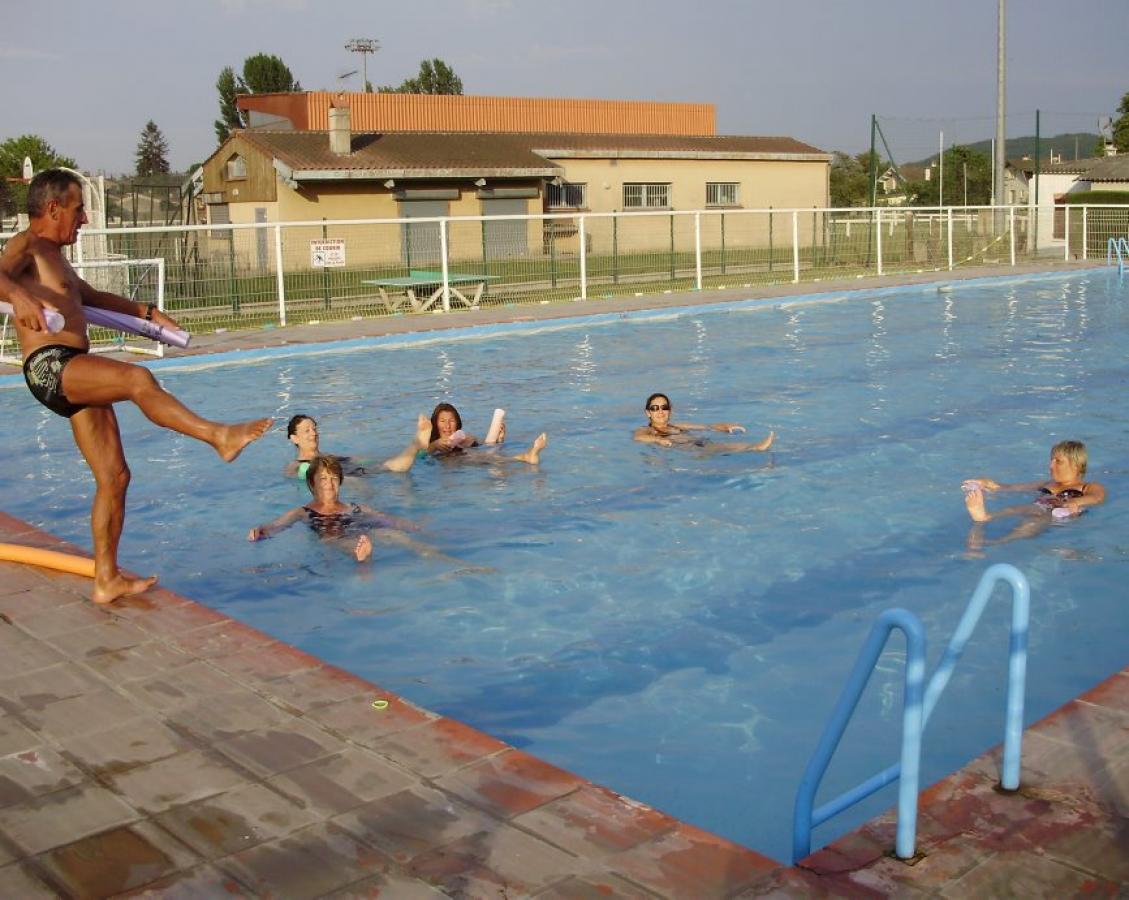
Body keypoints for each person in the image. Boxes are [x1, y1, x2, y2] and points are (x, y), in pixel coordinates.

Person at [0, 169, 271, 604]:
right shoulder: (27, 245)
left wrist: (148, 312)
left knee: (115, 477)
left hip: (74, 370)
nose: (84, 218)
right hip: (51, 365)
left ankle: (106, 579)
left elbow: (88, 297)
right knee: (136, 378)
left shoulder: (55, 255)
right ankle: (218, 436)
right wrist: (18, 297)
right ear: (52, 208)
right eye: (77, 208)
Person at [249, 455, 463, 565]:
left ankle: (442, 559)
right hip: (334, 539)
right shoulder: (304, 511)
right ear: (312, 484)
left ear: (340, 482)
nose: (329, 484)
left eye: (333, 478)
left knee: (394, 535)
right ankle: (364, 562)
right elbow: (277, 526)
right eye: (323, 479)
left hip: (362, 531)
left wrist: (420, 529)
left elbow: (387, 519)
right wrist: (261, 531)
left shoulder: (354, 507)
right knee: (350, 545)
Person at [963, 440, 1106, 548]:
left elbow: (1097, 497)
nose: (1051, 466)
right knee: (1021, 508)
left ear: (1076, 465)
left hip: (1063, 516)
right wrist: (988, 484)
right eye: (1051, 460)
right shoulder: (1046, 484)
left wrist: (1076, 502)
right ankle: (985, 517)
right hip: (1038, 509)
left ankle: (998, 542)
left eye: (1058, 462)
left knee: (1034, 519)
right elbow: (1012, 488)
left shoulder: (1088, 487)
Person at [284, 413, 431, 479]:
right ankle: (416, 445)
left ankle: (416, 445)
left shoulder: (328, 456)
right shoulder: (295, 465)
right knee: (386, 471)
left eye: (314, 428)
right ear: (294, 438)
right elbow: (298, 474)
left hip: (350, 469)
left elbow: (354, 460)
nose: (313, 433)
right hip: (343, 478)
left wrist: (374, 459)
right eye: (307, 431)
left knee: (388, 464)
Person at [633, 393, 774, 453]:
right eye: (654, 408)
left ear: (670, 410)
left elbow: (707, 426)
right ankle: (756, 447)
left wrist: (725, 426)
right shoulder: (647, 430)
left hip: (700, 445)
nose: (660, 411)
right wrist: (658, 440)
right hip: (692, 451)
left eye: (664, 407)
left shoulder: (677, 426)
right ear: (648, 413)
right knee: (722, 447)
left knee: (719, 447)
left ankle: (754, 447)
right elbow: (638, 437)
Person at [427, 402, 547, 465]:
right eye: (442, 421)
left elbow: (487, 445)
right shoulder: (431, 442)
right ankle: (524, 457)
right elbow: (419, 453)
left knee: (487, 459)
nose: (447, 426)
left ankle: (526, 457)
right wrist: (434, 445)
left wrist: (500, 440)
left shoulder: (467, 438)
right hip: (451, 465)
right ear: (435, 424)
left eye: (451, 421)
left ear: (457, 423)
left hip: (475, 459)